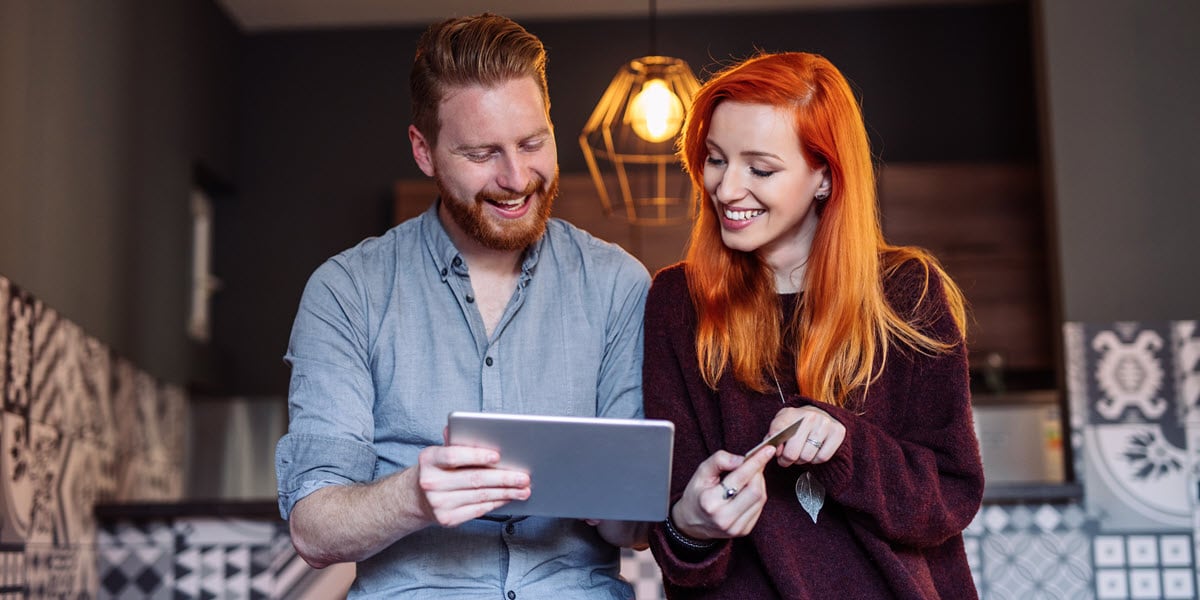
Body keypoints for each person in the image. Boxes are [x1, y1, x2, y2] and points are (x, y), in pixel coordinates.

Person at [274, 13, 651, 598]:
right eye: (481, 154)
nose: (517, 177)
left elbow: (636, 528)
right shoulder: (347, 291)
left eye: (532, 143)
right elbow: (314, 530)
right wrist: (414, 497)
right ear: (424, 152)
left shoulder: (618, 285)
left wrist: (642, 501)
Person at [643, 51, 985, 598]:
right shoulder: (676, 304)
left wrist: (846, 444)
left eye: (760, 169)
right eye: (714, 159)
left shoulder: (908, 291)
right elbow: (672, 542)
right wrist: (691, 526)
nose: (727, 189)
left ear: (824, 176)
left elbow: (948, 500)